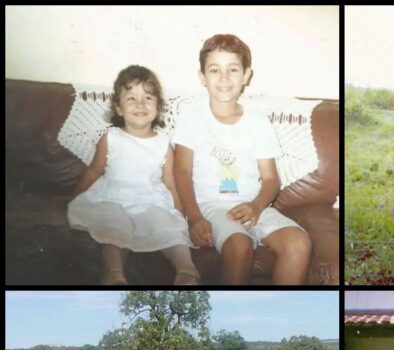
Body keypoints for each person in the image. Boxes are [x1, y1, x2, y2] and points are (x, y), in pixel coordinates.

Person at [173, 34, 312, 284]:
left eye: (233, 69)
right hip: (212, 207)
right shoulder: (191, 116)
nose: (224, 78)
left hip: (254, 206)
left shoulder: (258, 122)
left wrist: (257, 206)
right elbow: (181, 172)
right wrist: (194, 218)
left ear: (246, 75)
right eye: (215, 69)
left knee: (299, 242)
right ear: (202, 76)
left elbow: (271, 179)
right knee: (239, 245)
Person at [67, 65, 198, 285]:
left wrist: (180, 215)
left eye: (148, 97)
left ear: (158, 107)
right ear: (118, 108)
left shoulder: (164, 144)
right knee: (111, 226)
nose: (140, 104)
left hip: (150, 200)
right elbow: (93, 172)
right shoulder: (111, 138)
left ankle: (187, 271)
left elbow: (171, 184)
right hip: (113, 198)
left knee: (170, 229)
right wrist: (74, 197)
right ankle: (115, 273)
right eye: (131, 99)